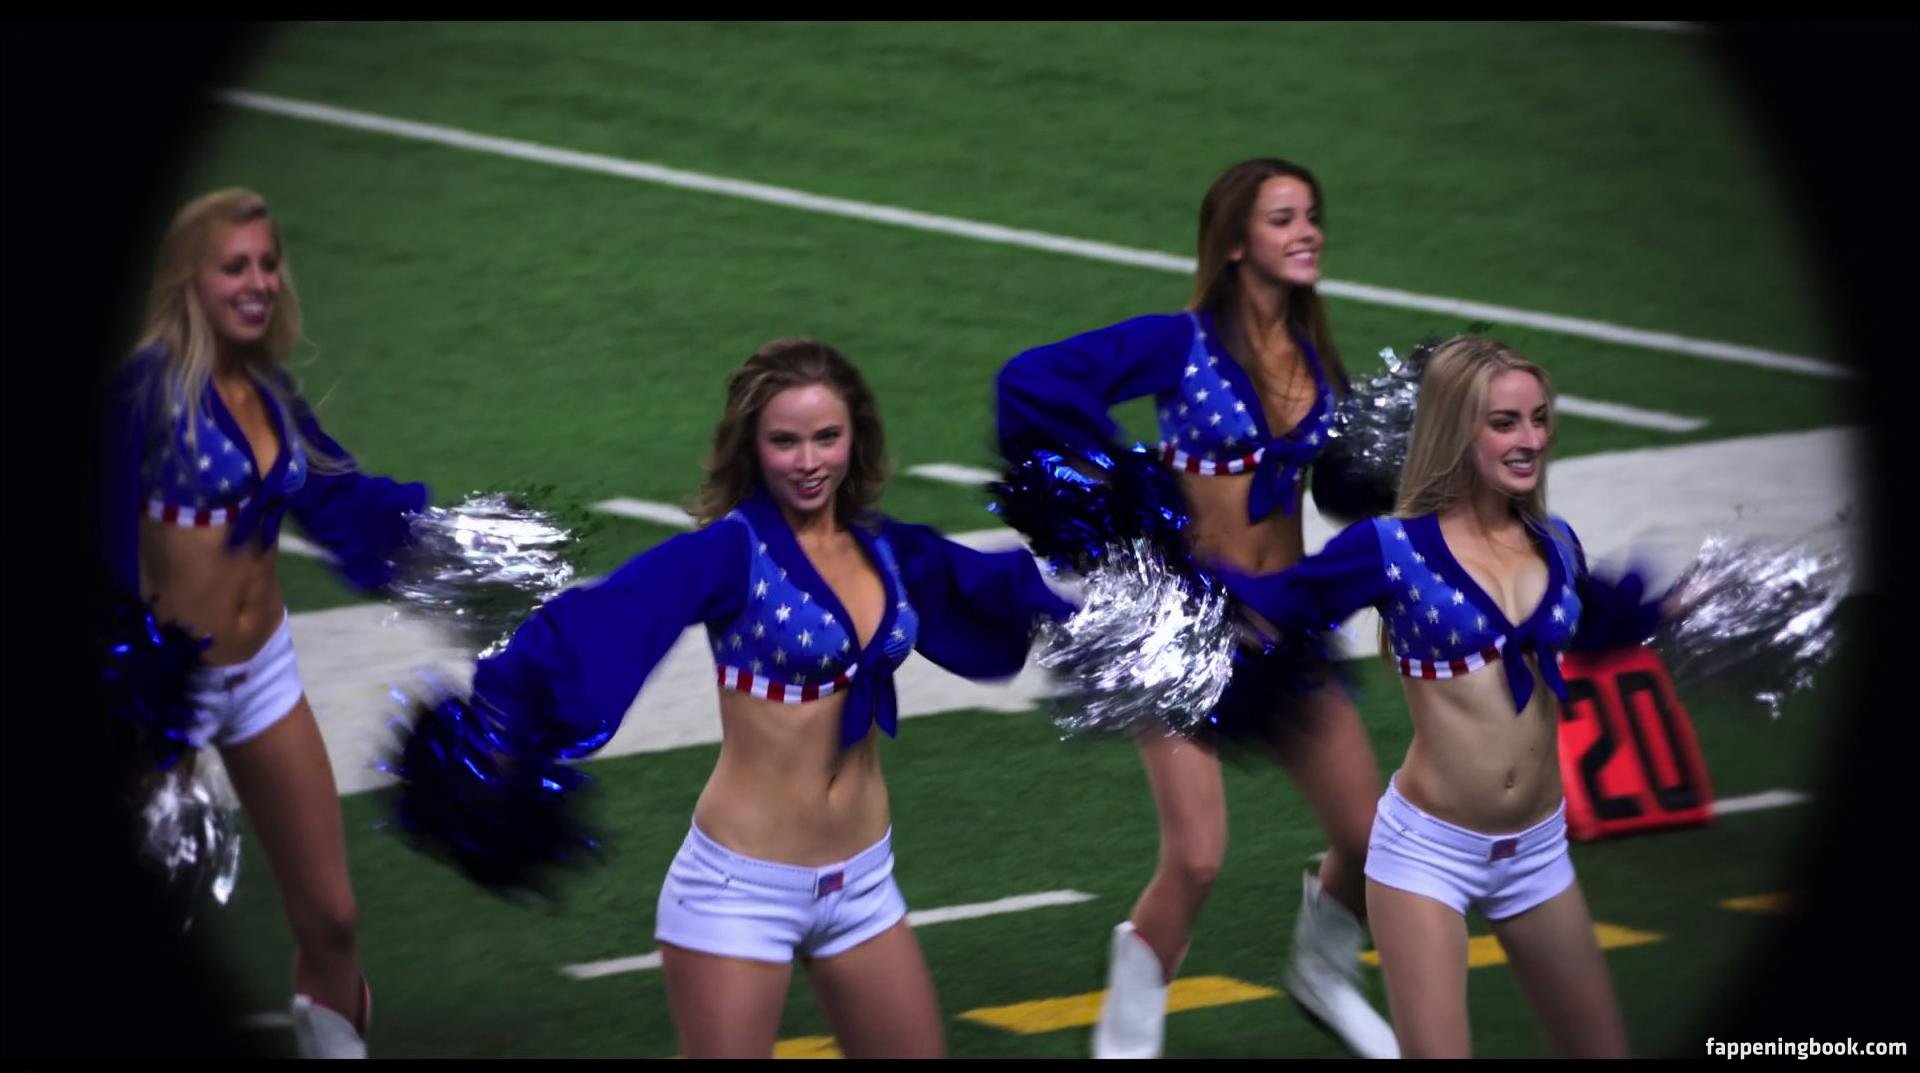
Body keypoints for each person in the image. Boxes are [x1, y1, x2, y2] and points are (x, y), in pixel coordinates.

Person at [464, 338, 1074, 1058]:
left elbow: (992, 588)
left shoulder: (885, 548)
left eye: (827, 437)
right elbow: (610, 617)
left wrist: (1104, 618)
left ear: (856, 437)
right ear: (752, 446)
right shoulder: (730, 553)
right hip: (740, 892)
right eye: (785, 441)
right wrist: (502, 721)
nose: (808, 461)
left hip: (863, 884)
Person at [996, 157, 1397, 1058]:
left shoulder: (1316, 354)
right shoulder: (1180, 344)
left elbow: (1334, 489)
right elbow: (1032, 378)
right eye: (1283, 218)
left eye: (1312, 216)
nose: (1307, 232)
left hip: (1284, 625)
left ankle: (1323, 971)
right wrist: (1127, 495)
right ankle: (1125, 1042)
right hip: (1182, 629)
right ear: (1235, 242)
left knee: (1373, 837)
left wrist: (1388, 465)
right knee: (1198, 855)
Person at [1222, 336, 1649, 1057]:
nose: (1530, 439)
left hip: (1538, 851)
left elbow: (1607, 620)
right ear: (1456, 431)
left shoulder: (1556, 541)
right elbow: (1282, 602)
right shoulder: (1391, 548)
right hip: (1428, 855)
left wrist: (1699, 605)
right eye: (1504, 423)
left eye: (1539, 418)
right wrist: (1193, 606)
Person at [99, 188, 430, 1059]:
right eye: (234, 266)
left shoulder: (270, 393)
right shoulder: (144, 395)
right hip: (166, 694)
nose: (257, 281)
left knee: (332, 916)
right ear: (189, 280)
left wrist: (451, 548)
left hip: (265, 675)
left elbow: (343, 501)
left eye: (268, 264)